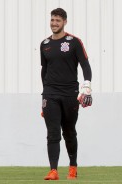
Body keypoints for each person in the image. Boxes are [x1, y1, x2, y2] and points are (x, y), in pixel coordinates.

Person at [40, 8, 92, 180]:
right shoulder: (45, 44)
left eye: (58, 20)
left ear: (65, 22)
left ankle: (72, 167)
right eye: (52, 20)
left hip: (70, 94)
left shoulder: (74, 42)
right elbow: (44, 71)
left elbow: (85, 65)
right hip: (50, 94)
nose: (54, 23)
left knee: (69, 132)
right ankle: (53, 170)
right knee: (52, 132)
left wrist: (86, 86)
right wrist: (44, 97)